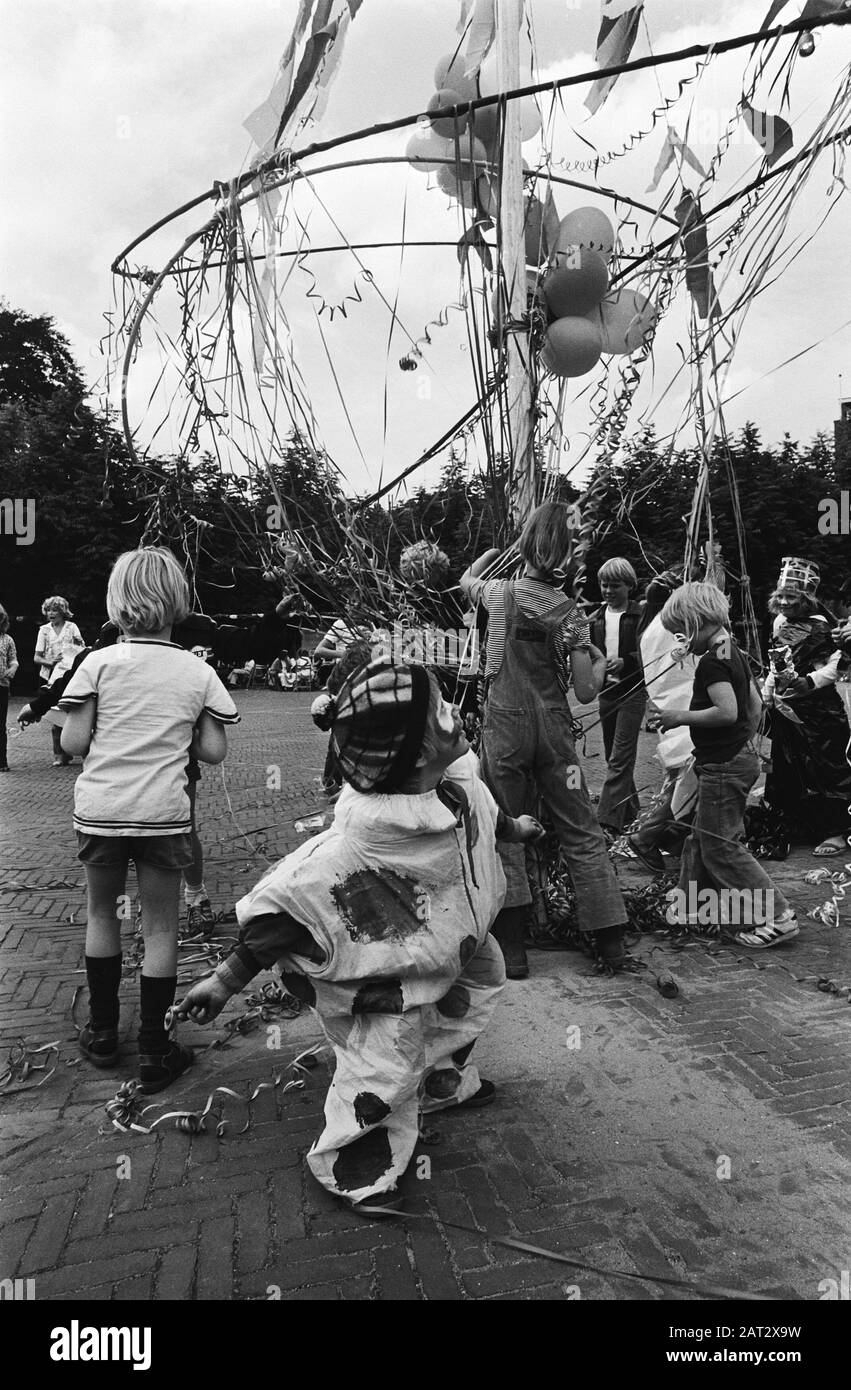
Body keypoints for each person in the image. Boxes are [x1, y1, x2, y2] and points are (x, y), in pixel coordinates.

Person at [174, 660, 543, 1214]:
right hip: (387, 979)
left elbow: (487, 815)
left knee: (471, 998)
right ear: (417, 754)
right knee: (384, 1066)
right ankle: (355, 1166)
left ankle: (442, 1083)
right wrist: (225, 980)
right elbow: (290, 908)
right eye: (441, 709)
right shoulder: (358, 845)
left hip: (459, 945)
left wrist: (516, 830)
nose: (455, 712)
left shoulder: (458, 780)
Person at [57, 548, 240, 1092]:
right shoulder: (197, 669)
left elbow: (72, 741)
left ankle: (104, 1032)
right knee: (160, 926)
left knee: (103, 915)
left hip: (103, 813)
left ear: (118, 602)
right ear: (176, 601)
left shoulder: (97, 664)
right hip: (164, 815)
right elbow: (213, 751)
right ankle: (158, 1050)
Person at [460, 502, 629, 980]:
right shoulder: (571, 612)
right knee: (580, 827)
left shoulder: (496, 592)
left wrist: (495, 552)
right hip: (555, 732)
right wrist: (598, 661)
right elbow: (585, 690)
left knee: (506, 831)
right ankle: (611, 940)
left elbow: (465, 581)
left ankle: (513, 952)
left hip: (504, 728)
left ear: (525, 546)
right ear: (567, 554)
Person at [652, 582, 797, 949]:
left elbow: (727, 712)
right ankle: (691, 906)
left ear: (697, 621)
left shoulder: (714, 662)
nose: (681, 643)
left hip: (725, 765)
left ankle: (777, 915)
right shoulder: (730, 647)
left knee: (721, 846)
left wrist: (676, 716)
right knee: (701, 838)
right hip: (733, 758)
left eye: (682, 633)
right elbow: (753, 705)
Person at [762, 558, 851, 857]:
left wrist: (809, 682)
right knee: (789, 766)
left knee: (826, 768)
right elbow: (777, 663)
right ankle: (799, 823)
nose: (785, 602)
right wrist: (768, 690)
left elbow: (835, 665)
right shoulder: (778, 623)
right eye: (782, 596)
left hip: (819, 711)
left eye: (792, 597)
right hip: (788, 708)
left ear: (806, 598)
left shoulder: (823, 627)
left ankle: (835, 831)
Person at [615, 569, 698, 873]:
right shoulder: (672, 631)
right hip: (686, 712)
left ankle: (672, 838)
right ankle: (646, 837)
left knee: (680, 783)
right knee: (687, 782)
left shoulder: (650, 628)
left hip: (673, 713)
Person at [589, 558, 646, 833]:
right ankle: (635, 820)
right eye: (604, 585)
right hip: (607, 693)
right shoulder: (595, 618)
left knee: (621, 757)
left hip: (633, 692)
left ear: (629, 586)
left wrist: (628, 661)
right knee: (614, 756)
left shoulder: (641, 616)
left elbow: (652, 651)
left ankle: (605, 822)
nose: (608, 590)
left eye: (615, 585)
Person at [34, 596, 84, 765]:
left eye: (54, 610)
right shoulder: (44, 630)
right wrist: (51, 662)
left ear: (62, 612)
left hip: (68, 675)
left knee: (69, 711)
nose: (51, 613)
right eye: (48, 610)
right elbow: (37, 657)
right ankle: (59, 755)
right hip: (49, 677)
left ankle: (74, 749)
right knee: (54, 715)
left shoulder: (72, 627)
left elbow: (82, 649)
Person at [0, 605, 19, 772]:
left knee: (1, 725)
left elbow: (13, 660)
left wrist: (12, 668)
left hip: (2, 686)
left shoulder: (7, 639)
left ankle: (2, 762)